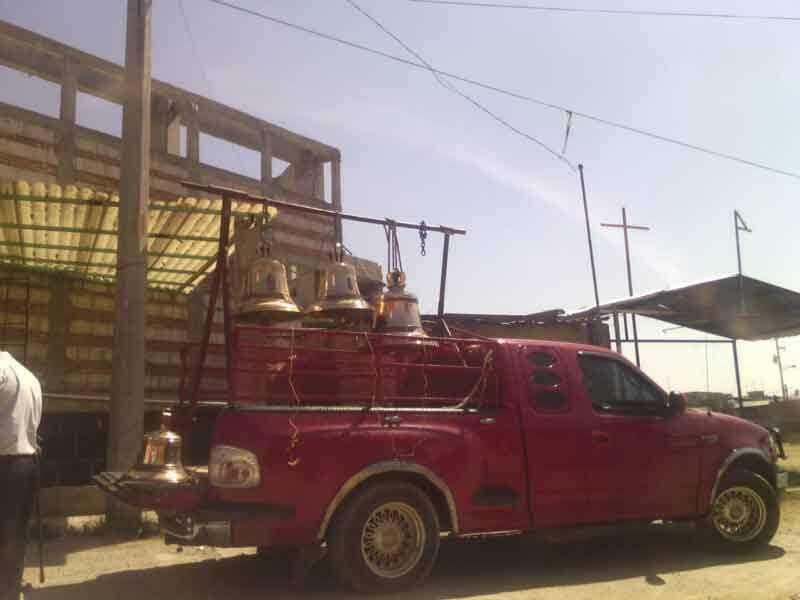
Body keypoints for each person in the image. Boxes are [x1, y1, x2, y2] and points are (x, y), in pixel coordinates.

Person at [0, 351, 42, 600]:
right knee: (15, 533)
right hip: (26, 463)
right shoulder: (30, 378)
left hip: (4, 463)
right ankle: (9, 590)